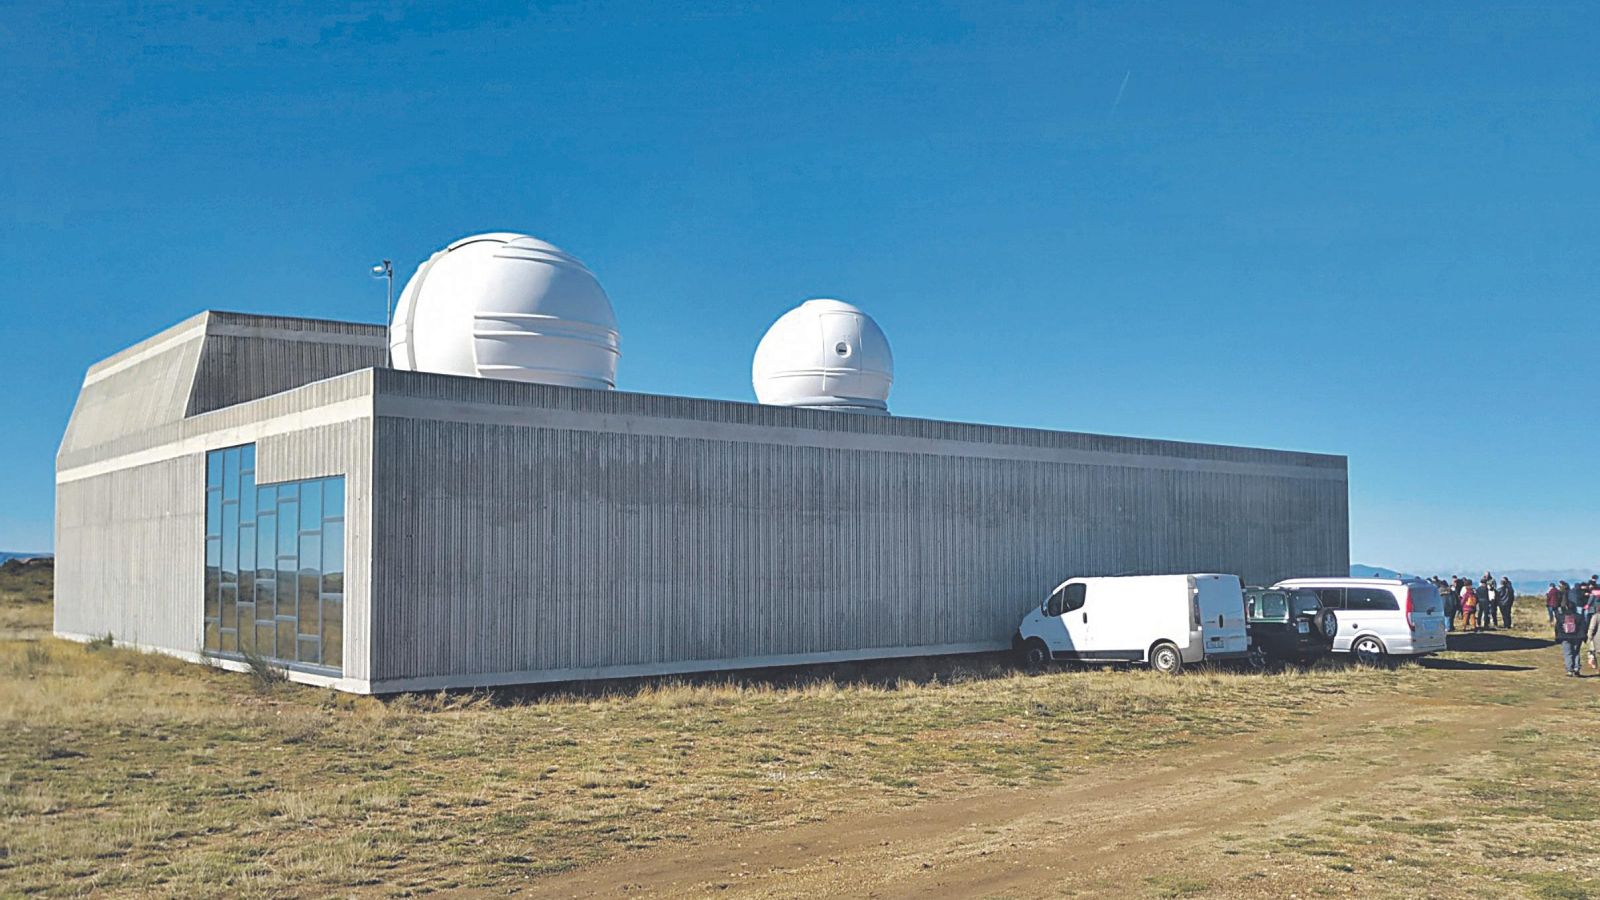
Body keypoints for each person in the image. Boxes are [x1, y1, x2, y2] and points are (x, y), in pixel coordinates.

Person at [1555, 600, 1585, 676]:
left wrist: (1558, 637)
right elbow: (1583, 627)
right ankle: (1576, 668)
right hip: (1577, 637)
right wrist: (1584, 637)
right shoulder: (1579, 616)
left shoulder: (1561, 616)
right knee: (1576, 653)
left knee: (1568, 653)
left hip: (1565, 637)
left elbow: (1557, 627)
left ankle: (1569, 670)